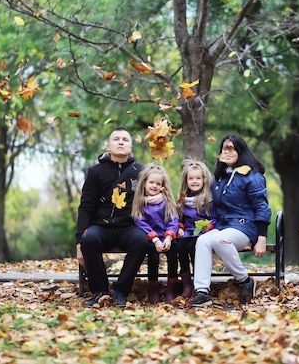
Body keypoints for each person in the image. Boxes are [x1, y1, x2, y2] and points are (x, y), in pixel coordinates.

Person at [191, 134, 272, 307]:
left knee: (219, 239)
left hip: (245, 227)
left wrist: (262, 238)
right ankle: (202, 292)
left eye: (231, 148)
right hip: (223, 225)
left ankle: (246, 281)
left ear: (240, 151)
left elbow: (262, 207)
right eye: (224, 148)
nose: (226, 152)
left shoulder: (253, 176)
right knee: (203, 240)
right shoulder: (219, 178)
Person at [76, 127, 148, 308]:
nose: (121, 142)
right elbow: (85, 207)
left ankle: (121, 290)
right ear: (108, 145)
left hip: (129, 227)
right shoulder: (95, 172)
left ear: (131, 146)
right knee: (89, 239)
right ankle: (100, 291)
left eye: (125, 139)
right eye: (116, 139)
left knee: (141, 240)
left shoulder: (141, 171)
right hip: (101, 227)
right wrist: (79, 242)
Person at [132, 162, 180, 303]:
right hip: (150, 238)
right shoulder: (140, 202)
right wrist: (155, 239)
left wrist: (169, 237)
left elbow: (173, 219)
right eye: (151, 182)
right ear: (144, 183)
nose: (154, 186)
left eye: (158, 183)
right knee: (153, 259)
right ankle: (153, 288)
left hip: (167, 237)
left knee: (173, 256)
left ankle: (171, 288)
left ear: (163, 186)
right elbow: (140, 222)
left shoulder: (167, 201)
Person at [176, 158, 215, 298]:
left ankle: (199, 282)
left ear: (204, 180)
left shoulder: (208, 199)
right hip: (187, 232)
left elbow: (216, 218)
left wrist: (209, 226)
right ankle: (187, 283)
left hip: (202, 235)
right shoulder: (183, 199)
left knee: (195, 248)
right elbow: (178, 218)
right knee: (180, 247)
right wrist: (179, 228)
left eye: (198, 178)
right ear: (186, 181)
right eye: (191, 178)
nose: (194, 181)